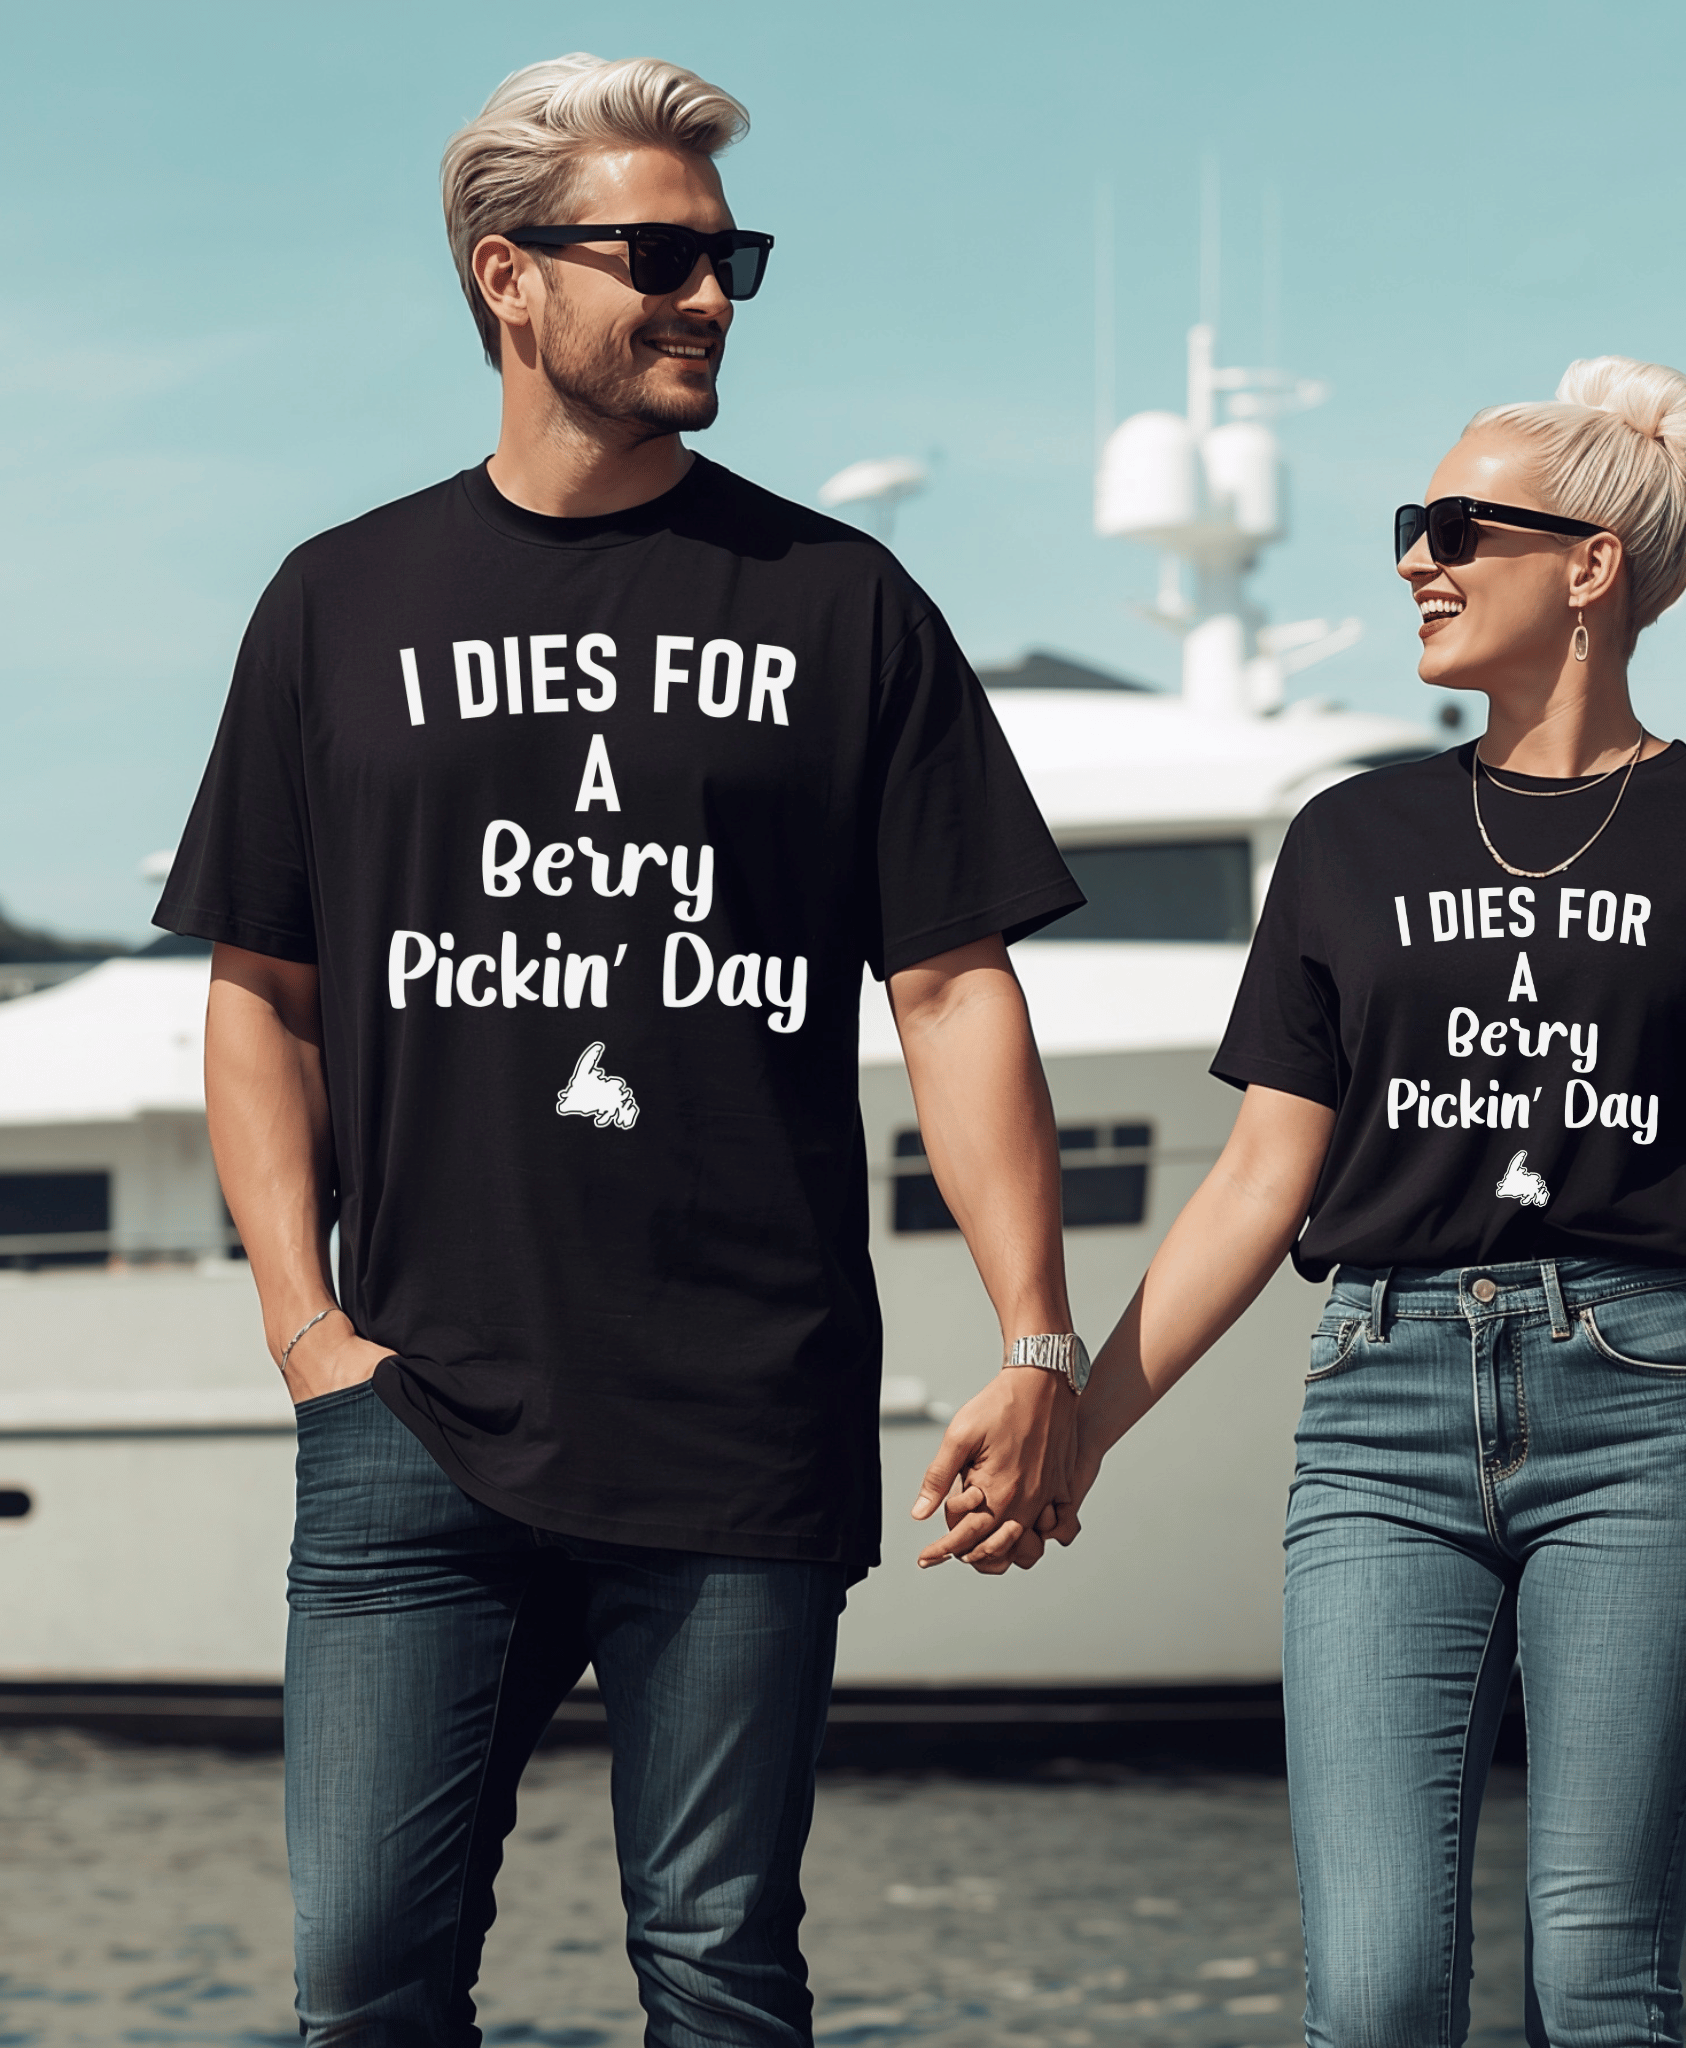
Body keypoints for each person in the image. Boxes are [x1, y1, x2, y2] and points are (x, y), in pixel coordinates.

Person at [154, 52, 1090, 2047]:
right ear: (507, 277)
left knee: (720, 1976)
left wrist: (1037, 1334)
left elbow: (950, 986)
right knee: (364, 1986)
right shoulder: (336, 605)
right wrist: (304, 1331)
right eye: (658, 254)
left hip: (741, 1412)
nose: (709, 295)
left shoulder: (844, 606)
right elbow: (262, 997)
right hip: (413, 1419)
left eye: (730, 256)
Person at [1020, 359, 1686, 2045]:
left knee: (1597, 1978)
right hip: (1380, 1409)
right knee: (1371, 1992)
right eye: (1407, 532)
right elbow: (1263, 1178)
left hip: (1648, 1406)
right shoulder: (1350, 839)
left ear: (1590, 566)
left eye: (1453, 529)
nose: (1417, 561)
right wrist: (1083, 1417)